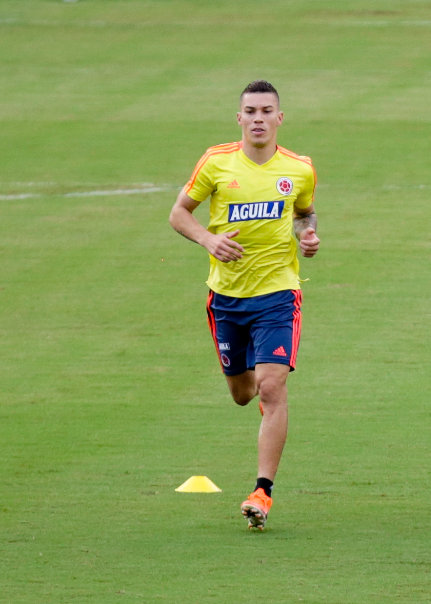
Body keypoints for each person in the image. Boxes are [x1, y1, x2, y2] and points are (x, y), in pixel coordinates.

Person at [169, 80, 320, 530]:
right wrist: (208, 238)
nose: (258, 118)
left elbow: (304, 212)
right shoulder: (216, 162)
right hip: (227, 298)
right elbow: (179, 213)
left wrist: (308, 234)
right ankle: (264, 404)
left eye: (266, 111)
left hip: (278, 294)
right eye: (250, 111)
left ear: (279, 118)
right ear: (240, 119)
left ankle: (263, 491)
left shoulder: (300, 169)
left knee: (273, 388)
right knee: (243, 393)